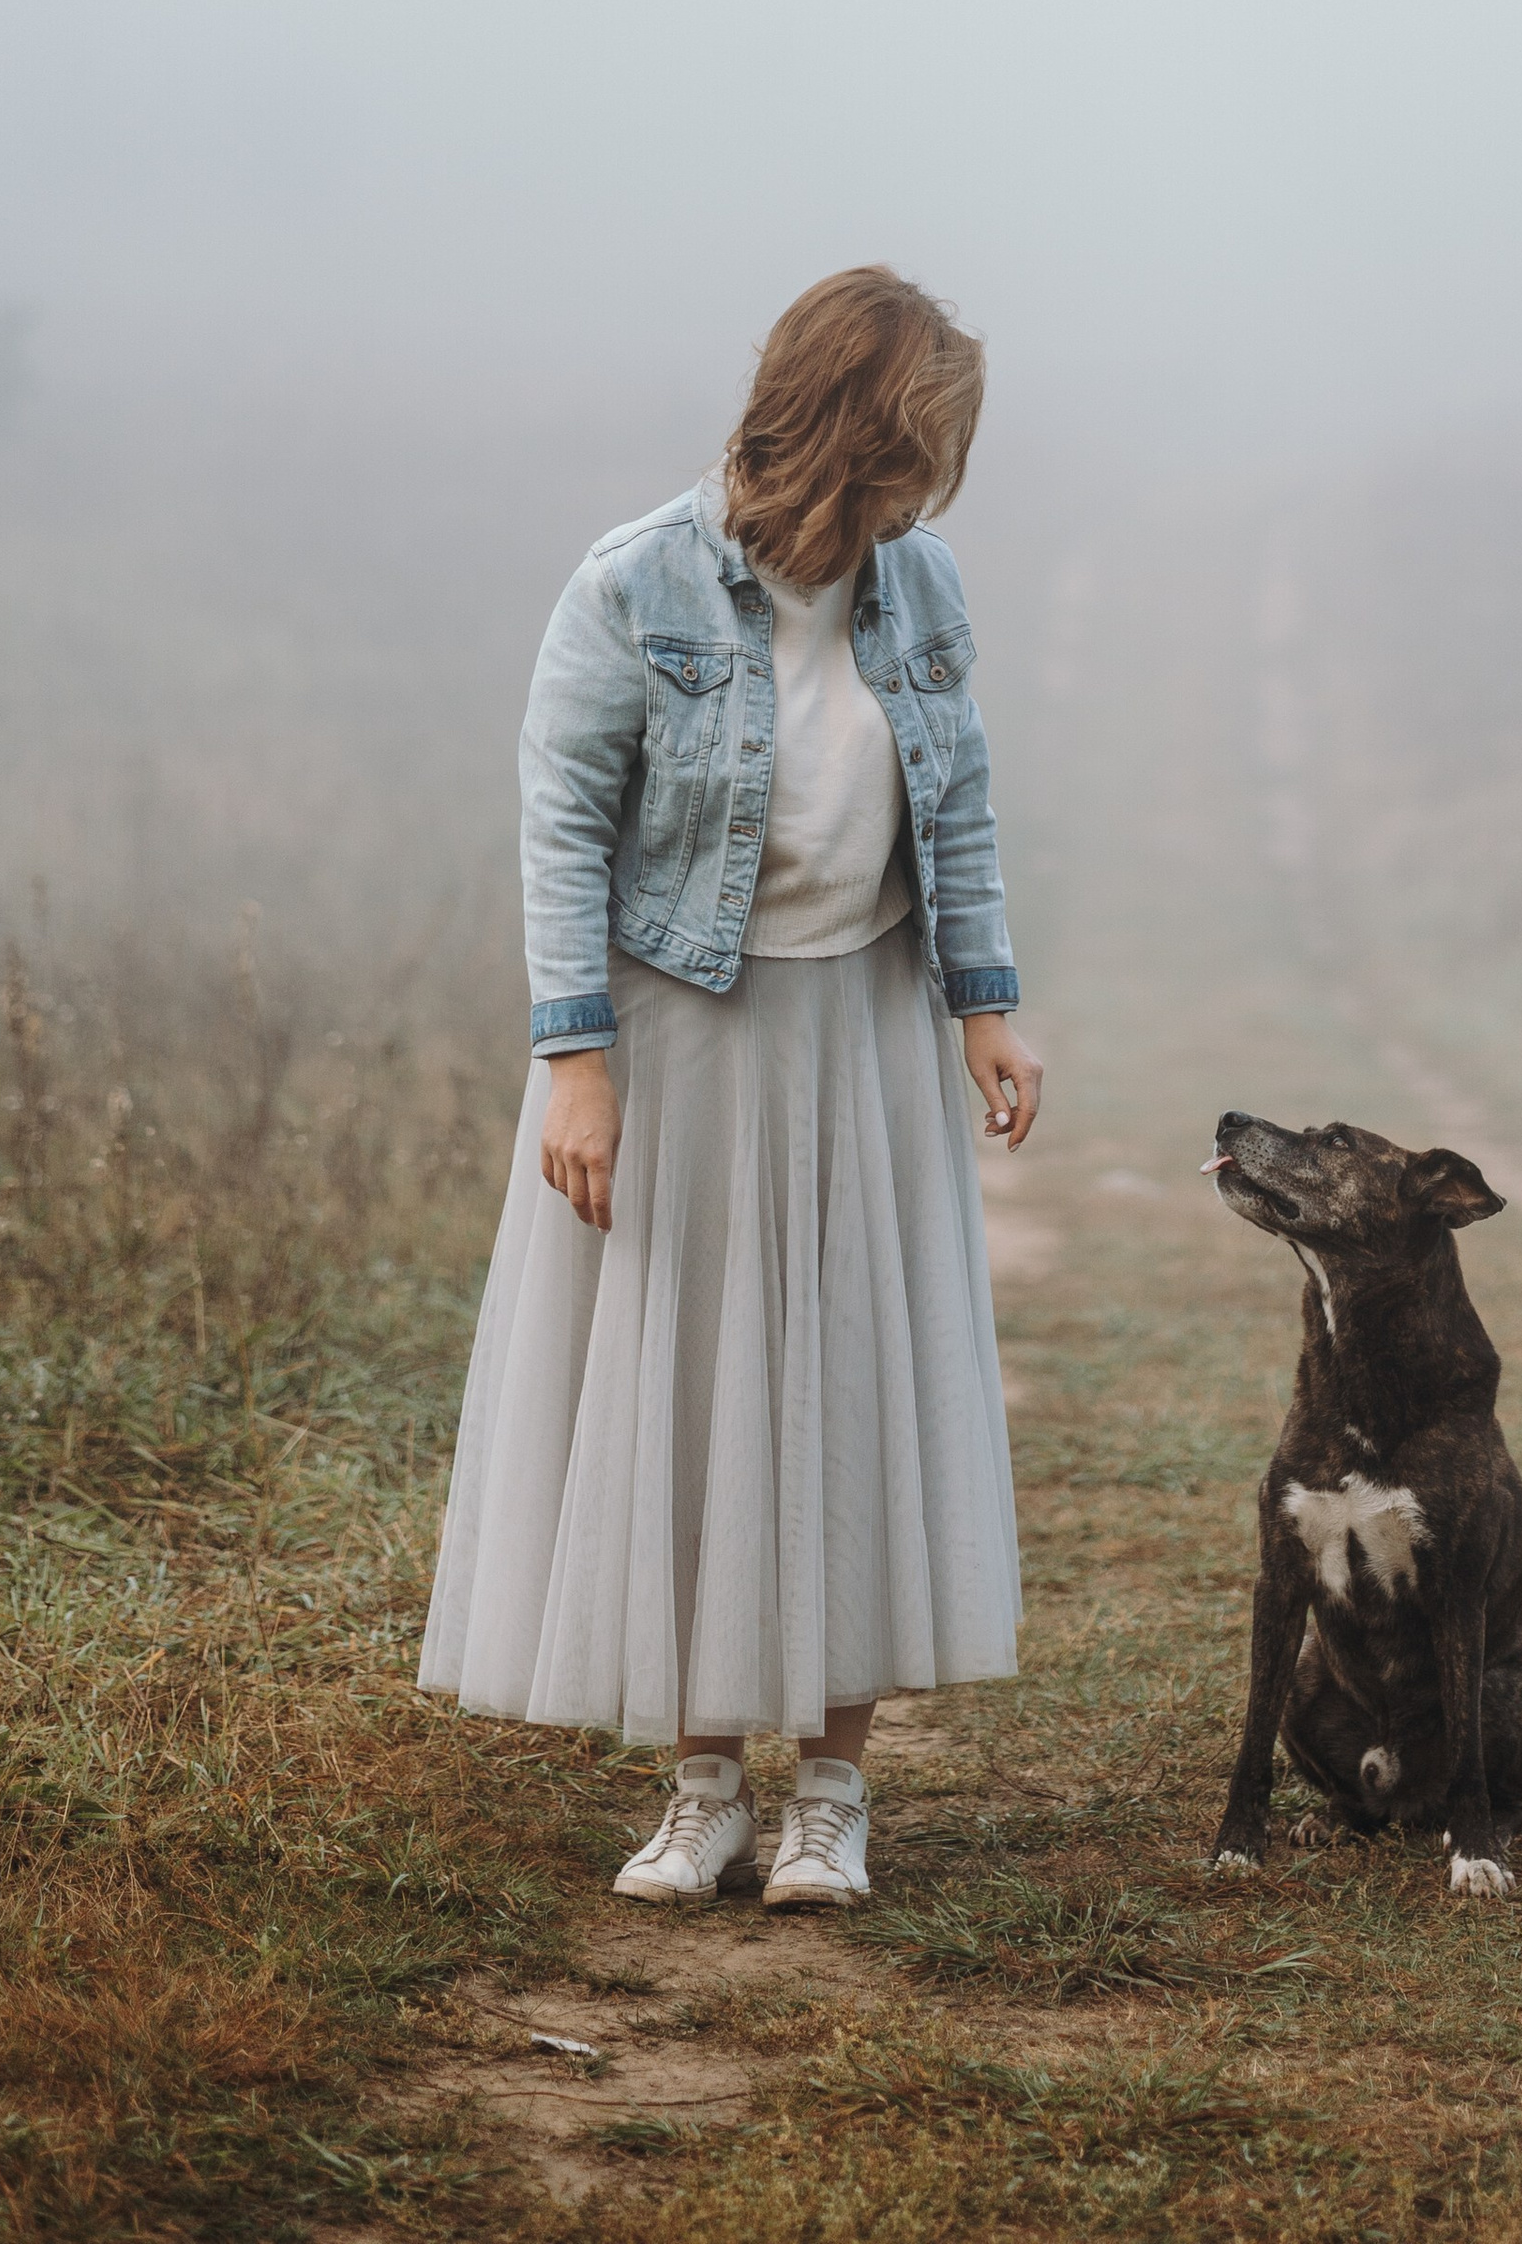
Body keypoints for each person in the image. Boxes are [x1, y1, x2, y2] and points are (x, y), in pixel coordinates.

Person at [419, 267, 1042, 1913]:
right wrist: (575, 1068)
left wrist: (988, 1007)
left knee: (848, 1387)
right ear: (845, 429)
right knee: (690, 1399)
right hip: (680, 1031)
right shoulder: (634, 586)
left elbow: (959, 802)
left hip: (862, 1030)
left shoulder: (924, 589)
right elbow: (559, 825)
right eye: (913, 450)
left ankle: (830, 1792)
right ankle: (704, 1791)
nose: (926, 490)